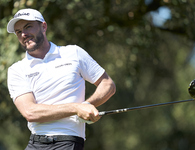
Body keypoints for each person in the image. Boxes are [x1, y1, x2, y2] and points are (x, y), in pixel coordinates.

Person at [7, 8, 116, 150]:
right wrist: (76, 108)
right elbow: (30, 112)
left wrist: (87, 105)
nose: (24, 34)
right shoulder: (16, 69)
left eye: (28, 27)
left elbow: (107, 84)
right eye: (18, 32)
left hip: (67, 141)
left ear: (43, 26)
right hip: (35, 143)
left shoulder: (73, 53)